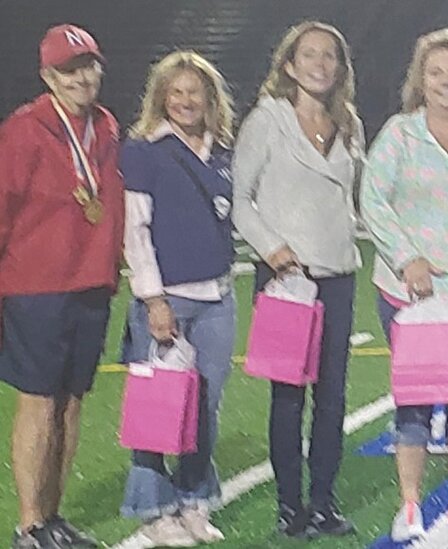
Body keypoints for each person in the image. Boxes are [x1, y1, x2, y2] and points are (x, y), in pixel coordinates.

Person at [361, 27, 448, 543]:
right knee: (415, 404)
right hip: (412, 296)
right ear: (420, 80)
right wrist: (407, 258)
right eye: (435, 72)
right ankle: (411, 506)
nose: (446, 82)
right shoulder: (400, 133)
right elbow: (372, 200)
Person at [231, 20, 364, 539]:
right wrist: (274, 250)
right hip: (287, 277)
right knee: (289, 397)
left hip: (338, 275)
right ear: (289, 64)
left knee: (333, 397)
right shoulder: (267, 120)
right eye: (309, 55)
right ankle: (291, 506)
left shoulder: (348, 122)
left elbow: (353, 197)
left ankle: (324, 501)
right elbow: (241, 200)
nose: (320, 64)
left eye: (330, 55)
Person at [0, 23, 120, 549]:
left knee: (72, 403)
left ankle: (54, 516)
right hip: (35, 288)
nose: (81, 78)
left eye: (88, 66)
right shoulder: (25, 130)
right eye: (69, 70)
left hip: (92, 283)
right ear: (48, 76)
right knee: (39, 402)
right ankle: (30, 524)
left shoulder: (108, 126)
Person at [117, 50, 238, 548]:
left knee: (205, 407)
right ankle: (153, 508)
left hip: (218, 297)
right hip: (168, 299)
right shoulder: (145, 150)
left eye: (196, 91)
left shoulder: (222, 150)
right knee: (158, 408)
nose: (187, 101)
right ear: (162, 97)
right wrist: (152, 299)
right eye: (178, 91)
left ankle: (193, 501)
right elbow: (135, 230)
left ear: (211, 99)